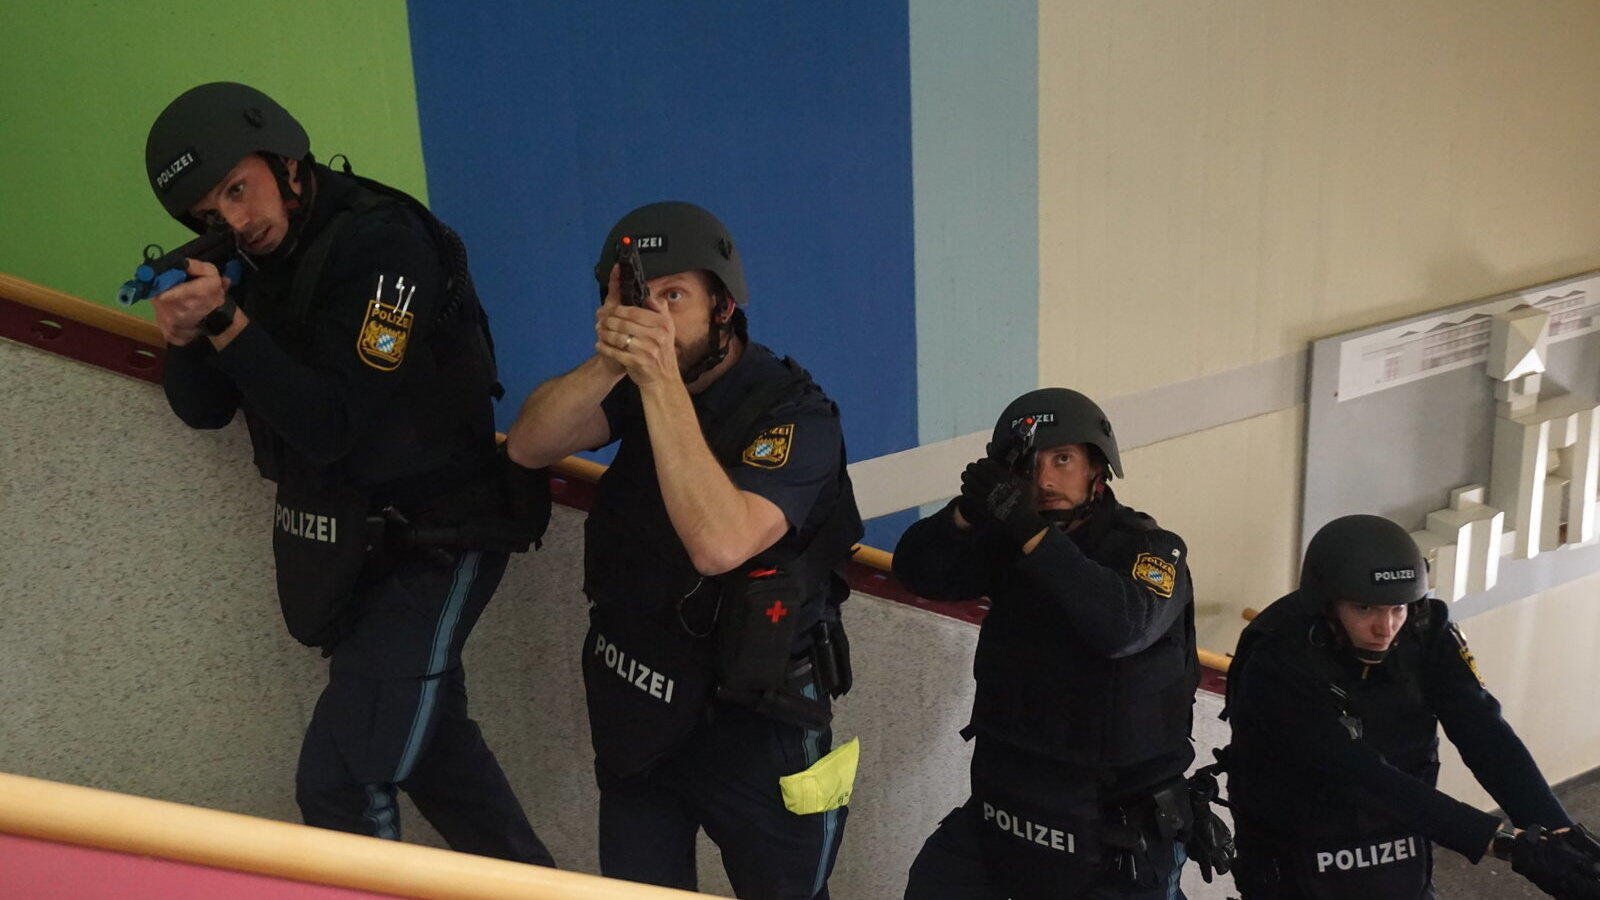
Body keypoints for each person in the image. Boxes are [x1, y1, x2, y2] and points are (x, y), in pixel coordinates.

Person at [142, 82, 553, 865]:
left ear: (285, 161)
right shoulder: (246, 258)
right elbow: (204, 411)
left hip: (442, 537)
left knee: (341, 782)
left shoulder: (384, 243)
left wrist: (226, 320)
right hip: (354, 546)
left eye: (238, 189)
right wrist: (186, 333)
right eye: (207, 212)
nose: (233, 221)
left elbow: (334, 424)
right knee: (434, 755)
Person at [505, 201, 861, 899]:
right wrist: (609, 362)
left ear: (723, 306)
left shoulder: (797, 412)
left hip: (759, 720)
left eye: (676, 297)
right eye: (643, 298)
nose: (657, 320)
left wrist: (657, 377)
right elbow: (527, 445)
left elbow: (720, 543)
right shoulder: (636, 383)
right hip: (642, 700)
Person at [895, 388, 1200, 899]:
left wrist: (1026, 528)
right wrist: (966, 513)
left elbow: (1123, 627)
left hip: (1118, 818)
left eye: (1063, 459)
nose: (1044, 480)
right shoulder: (1009, 543)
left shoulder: (1150, 547)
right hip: (1011, 792)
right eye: (1030, 464)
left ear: (1097, 467)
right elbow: (918, 573)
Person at [1222, 513, 1600, 898]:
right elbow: (1357, 774)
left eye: (1397, 608)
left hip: (1397, 843)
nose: (1385, 629)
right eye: (1365, 608)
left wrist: (1560, 834)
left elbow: (1484, 734)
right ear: (1328, 604)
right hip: (1298, 854)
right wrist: (1504, 844)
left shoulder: (1423, 630)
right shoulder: (1278, 658)